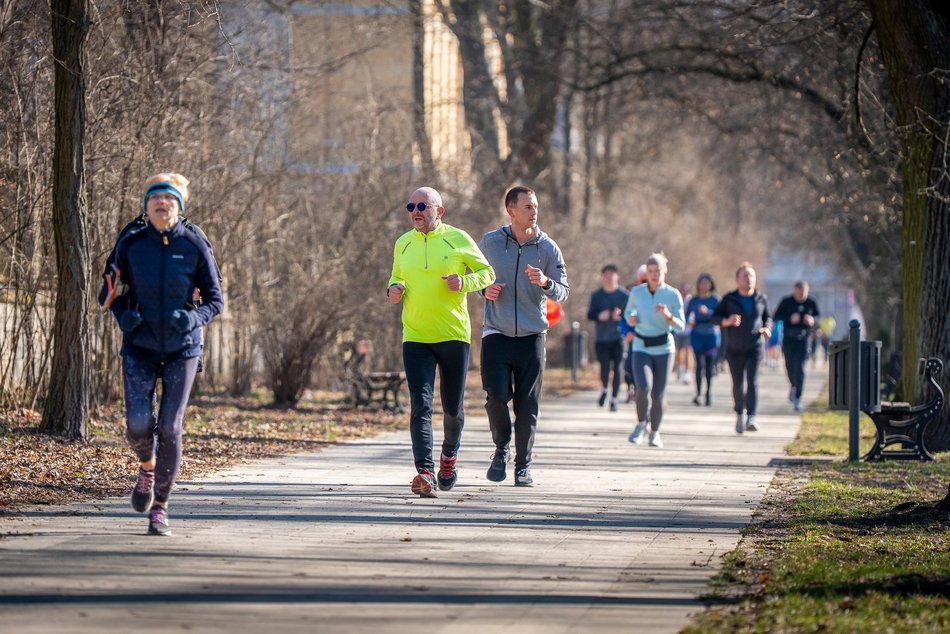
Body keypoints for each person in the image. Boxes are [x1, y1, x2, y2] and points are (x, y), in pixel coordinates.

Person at [108, 173, 224, 535]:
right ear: (146, 205)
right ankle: (147, 466)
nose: (161, 203)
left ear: (179, 205)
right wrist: (122, 313)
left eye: (168, 198)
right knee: (138, 425)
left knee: (171, 428)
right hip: (140, 345)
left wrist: (191, 316)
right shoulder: (131, 241)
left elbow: (215, 298)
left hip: (182, 346)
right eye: (154, 197)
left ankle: (160, 506)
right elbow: (108, 289)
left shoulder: (194, 243)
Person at [388, 186, 495, 498]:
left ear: (439, 211)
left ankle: (448, 459)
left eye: (422, 205)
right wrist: (393, 289)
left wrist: (465, 282)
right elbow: (396, 276)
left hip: (453, 335)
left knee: (451, 407)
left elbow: (487, 273)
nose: (415, 211)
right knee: (420, 405)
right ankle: (424, 472)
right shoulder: (402, 243)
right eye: (410, 206)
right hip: (416, 336)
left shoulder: (457, 238)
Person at [479, 185, 569, 486]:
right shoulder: (490, 243)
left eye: (536, 206)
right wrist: (483, 289)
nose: (534, 211)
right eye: (528, 206)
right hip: (496, 333)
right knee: (496, 398)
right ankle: (501, 448)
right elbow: (473, 275)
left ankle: (522, 466)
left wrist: (545, 283)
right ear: (511, 210)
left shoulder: (548, 248)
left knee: (527, 406)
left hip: (532, 335)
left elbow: (563, 291)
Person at [624, 253, 685, 448]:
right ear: (646, 273)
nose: (654, 274)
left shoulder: (673, 295)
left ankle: (655, 432)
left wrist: (668, 316)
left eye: (657, 271)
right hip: (641, 346)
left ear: (664, 272)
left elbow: (680, 326)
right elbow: (628, 313)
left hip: (664, 349)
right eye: (650, 271)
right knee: (642, 388)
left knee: (658, 394)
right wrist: (631, 318)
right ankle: (641, 424)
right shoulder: (637, 292)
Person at [712, 262, 772, 434]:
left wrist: (767, 328)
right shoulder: (729, 299)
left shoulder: (761, 298)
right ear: (738, 279)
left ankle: (752, 416)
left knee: (752, 381)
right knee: (738, 385)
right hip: (734, 348)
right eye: (745, 276)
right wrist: (727, 321)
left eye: (751, 275)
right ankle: (740, 413)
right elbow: (714, 317)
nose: (749, 279)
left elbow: (768, 317)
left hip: (755, 346)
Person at [587, 264, 629, 412]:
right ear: (603, 276)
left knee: (618, 368)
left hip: (619, 338)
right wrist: (600, 315)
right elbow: (590, 315)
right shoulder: (596, 295)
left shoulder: (624, 295)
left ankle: (614, 399)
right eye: (606, 274)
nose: (610, 277)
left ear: (617, 276)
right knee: (604, 368)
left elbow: (631, 316)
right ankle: (605, 389)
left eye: (612, 273)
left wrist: (621, 316)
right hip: (602, 339)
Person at [773, 281, 820, 412]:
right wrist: (789, 318)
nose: (800, 296)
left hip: (804, 338)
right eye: (798, 294)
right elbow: (777, 316)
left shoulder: (811, 302)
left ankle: (798, 397)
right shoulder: (786, 301)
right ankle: (793, 386)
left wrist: (812, 321)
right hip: (788, 338)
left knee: (800, 367)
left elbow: (818, 319)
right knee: (789, 365)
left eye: (803, 294)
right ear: (794, 291)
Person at [685, 274, 720, 406]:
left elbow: (721, 316)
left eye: (707, 283)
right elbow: (687, 316)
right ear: (698, 285)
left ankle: (708, 394)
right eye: (702, 283)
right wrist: (690, 321)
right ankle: (698, 394)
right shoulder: (694, 300)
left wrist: (708, 312)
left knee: (709, 367)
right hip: (697, 335)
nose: (704, 285)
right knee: (699, 365)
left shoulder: (716, 300)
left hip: (711, 335)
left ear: (711, 285)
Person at [619, 264, 649, 403]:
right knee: (630, 369)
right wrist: (627, 333)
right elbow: (622, 318)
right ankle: (635, 392)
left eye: (647, 280)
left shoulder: (661, 295)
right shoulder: (633, 296)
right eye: (642, 280)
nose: (645, 283)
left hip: (653, 342)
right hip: (634, 341)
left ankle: (646, 398)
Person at [673, 283, 693, 385]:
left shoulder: (691, 300)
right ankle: (680, 369)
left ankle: (687, 372)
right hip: (679, 330)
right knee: (679, 351)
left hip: (688, 330)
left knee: (687, 351)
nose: (683, 292)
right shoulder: (677, 299)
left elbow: (693, 314)